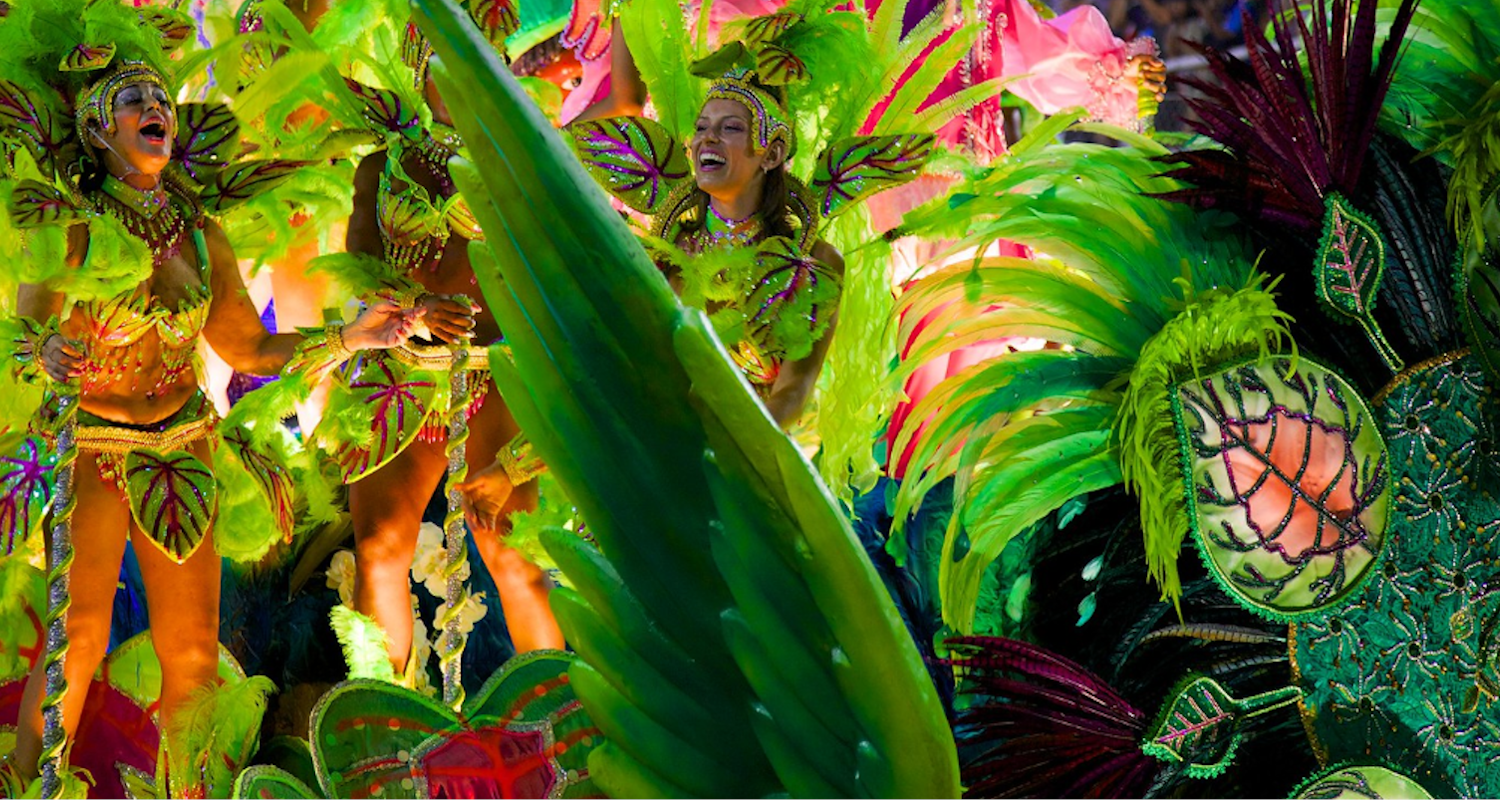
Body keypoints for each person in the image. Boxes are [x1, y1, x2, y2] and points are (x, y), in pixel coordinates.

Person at [0, 1, 418, 788]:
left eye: (160, 99)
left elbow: (247, 347)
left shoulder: (199, 231)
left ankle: (191, 787)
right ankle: (29, 784)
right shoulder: (74, 230)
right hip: (91, 447)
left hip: (183, 446)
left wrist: (349, 337)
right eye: (133, 102)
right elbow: (21, 338)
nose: (155, 110)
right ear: (97, 129)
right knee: (77, 638)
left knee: (192, 653)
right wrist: (46, 350)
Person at [317, 5, 566, 678]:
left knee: (512, 554)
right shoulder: (382, 164)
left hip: (492, 373)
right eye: (445, 61)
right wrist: (414, 309)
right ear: (419, 66)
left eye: (480, 62)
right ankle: (386, 721)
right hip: (396, 368)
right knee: (380, 548)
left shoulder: (528, 160)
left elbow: (550, 274)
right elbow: (361, 266)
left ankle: (562, 727)